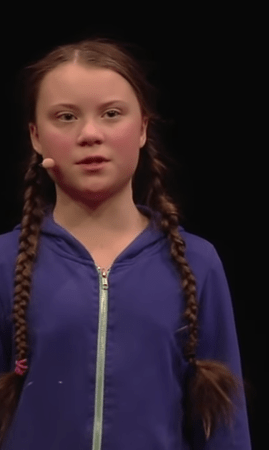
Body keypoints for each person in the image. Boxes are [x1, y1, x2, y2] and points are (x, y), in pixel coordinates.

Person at [0, 36, 252, 449]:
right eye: (66, 116)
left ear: (143, 128)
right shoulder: (4, 262)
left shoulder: (197, 262)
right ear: (36, 135)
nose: (90, 133)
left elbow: (226, 427)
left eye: (112, 113)